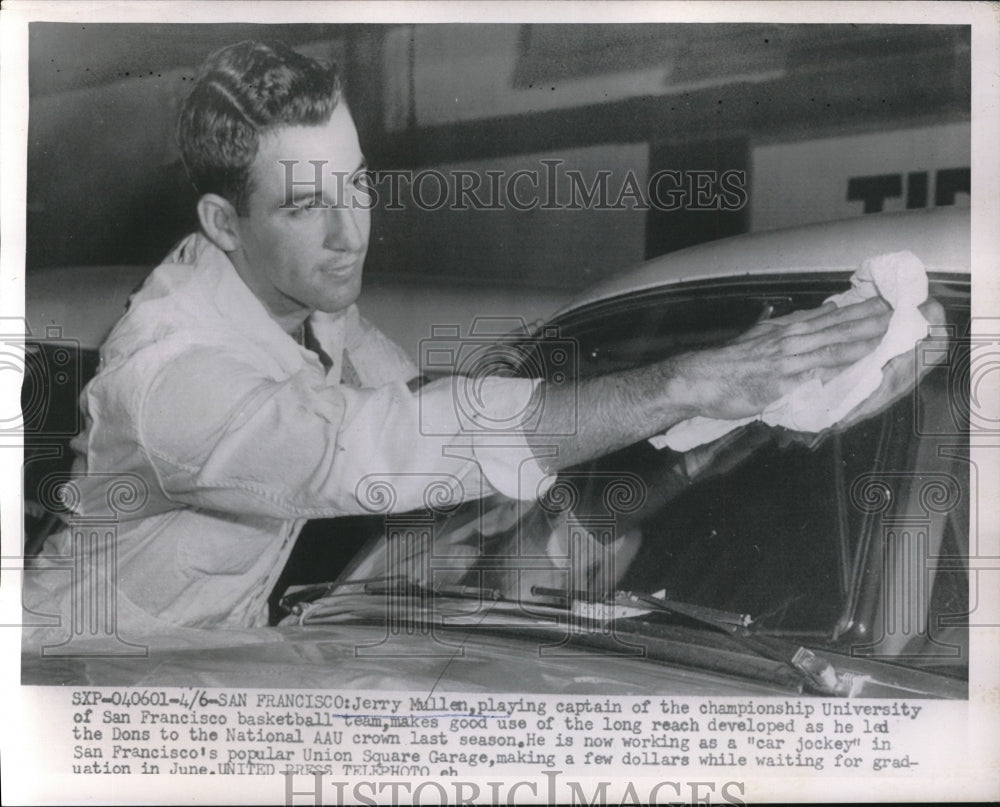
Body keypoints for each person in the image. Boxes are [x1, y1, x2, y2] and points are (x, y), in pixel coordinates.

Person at [24, 40, 940, 641]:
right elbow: (380, 448)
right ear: (224, 222)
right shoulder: (170, 378)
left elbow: (452, 409)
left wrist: (775, 387)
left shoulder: (309, 296)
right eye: (308, 204)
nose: (352, 233)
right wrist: (690, 382)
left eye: (357, 183)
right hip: (79, 684)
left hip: (218, 669)